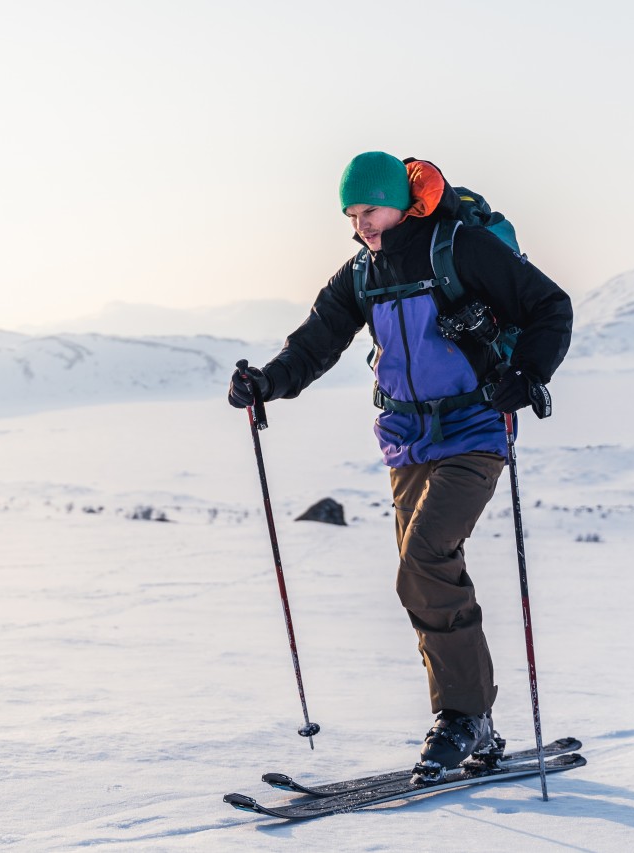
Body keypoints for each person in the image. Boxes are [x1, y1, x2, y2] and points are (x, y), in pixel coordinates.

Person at [227, 151, 572, 775]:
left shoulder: (460, 248)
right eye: (352, 214)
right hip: (405, 439)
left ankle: (462, 716)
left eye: (372, 209)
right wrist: (267, 383)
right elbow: (317, 340)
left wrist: (526, 376)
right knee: (426, 575)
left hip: (473, 428)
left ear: (404, 202)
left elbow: (551, 307)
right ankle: (477, 721)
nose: (362, 223)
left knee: (425, 559)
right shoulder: (361, 274)